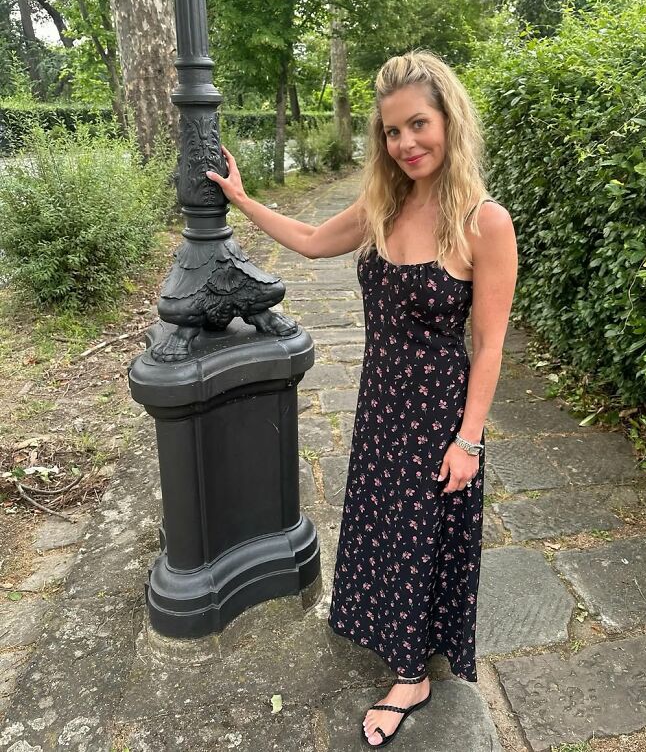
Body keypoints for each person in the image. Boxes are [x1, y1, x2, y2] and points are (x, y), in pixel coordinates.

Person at [206, 49, 518, 748]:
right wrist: (244, 199)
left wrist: (468, 438)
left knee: (420, 534)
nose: (405, 143)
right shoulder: (386, 202)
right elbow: (314, 241)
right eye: (391, 131)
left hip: (439, 413)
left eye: (418, 124)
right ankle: (404, 637)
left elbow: (491, 344)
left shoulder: (483, 222)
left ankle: (412, 677)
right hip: (379, 406)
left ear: (449, 121)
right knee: (388, 531)